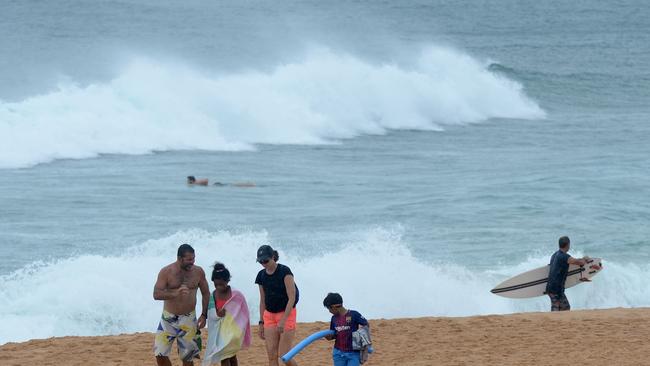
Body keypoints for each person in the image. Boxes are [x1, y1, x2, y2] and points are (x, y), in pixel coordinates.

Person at [153, 244, 210, 366]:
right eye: (189, 259)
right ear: (179, 258)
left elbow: (206, 293)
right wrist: (174, 293)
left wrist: (204, 315)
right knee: (160, 353)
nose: (192, 262)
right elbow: (156, 294)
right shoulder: (166, 272)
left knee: (187, 358)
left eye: (193, 258)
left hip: (188, 318)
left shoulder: (198, 272)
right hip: (168, 319)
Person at [254, 245, 300, 366]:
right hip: (269, 315)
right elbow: (262, 300)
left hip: (286, 313)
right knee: (272, 355)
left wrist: (283, 320)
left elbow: (292, 298)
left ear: (273, 257)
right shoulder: (261, 275)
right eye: (260, 261)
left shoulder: (285, 271)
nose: (263, 263)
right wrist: (261, 322)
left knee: (284, 355)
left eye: (266, 260)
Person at [203, 262, 251, 366]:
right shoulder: (213, 295)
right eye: (216, 284)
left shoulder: (236, 295)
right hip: (220, 332)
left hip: (233, 332)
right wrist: (217, 314)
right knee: (229, 355)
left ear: (227, 281)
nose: (219, 287)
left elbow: (243, 314)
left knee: (226, 355)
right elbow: (212, 314)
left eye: (221, 284)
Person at [323, 293, 370, 366]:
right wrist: (329, 337)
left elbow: (366, 324)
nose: (329, 311)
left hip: (353, 353)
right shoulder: (334, 318)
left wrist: (359, 337)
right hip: (338, 353)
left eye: (329, 308)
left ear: (334, 306)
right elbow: (335, 333)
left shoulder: (354, 314)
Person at [545, 236, 588, 311]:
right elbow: (579, 262)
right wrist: (585, 259)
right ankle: (553, 321)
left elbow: (573, 261)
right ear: (568, 245)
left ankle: (558, 321)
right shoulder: (564, 257)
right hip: (556, 288)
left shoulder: (555, 255)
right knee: (557, 307)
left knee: (564, 307)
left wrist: (581, 259)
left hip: (552, 286)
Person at [187, 176, 255, 188]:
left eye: (188, 180)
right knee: (233, 185)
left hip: (216, 185)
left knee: (234, 186)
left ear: (191, 180)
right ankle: (248, 184)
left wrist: (194, 183)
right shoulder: (195, 183)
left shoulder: (195, 183)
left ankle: (249, 185)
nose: (187, 181)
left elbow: (206, 180)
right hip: (215, 185)